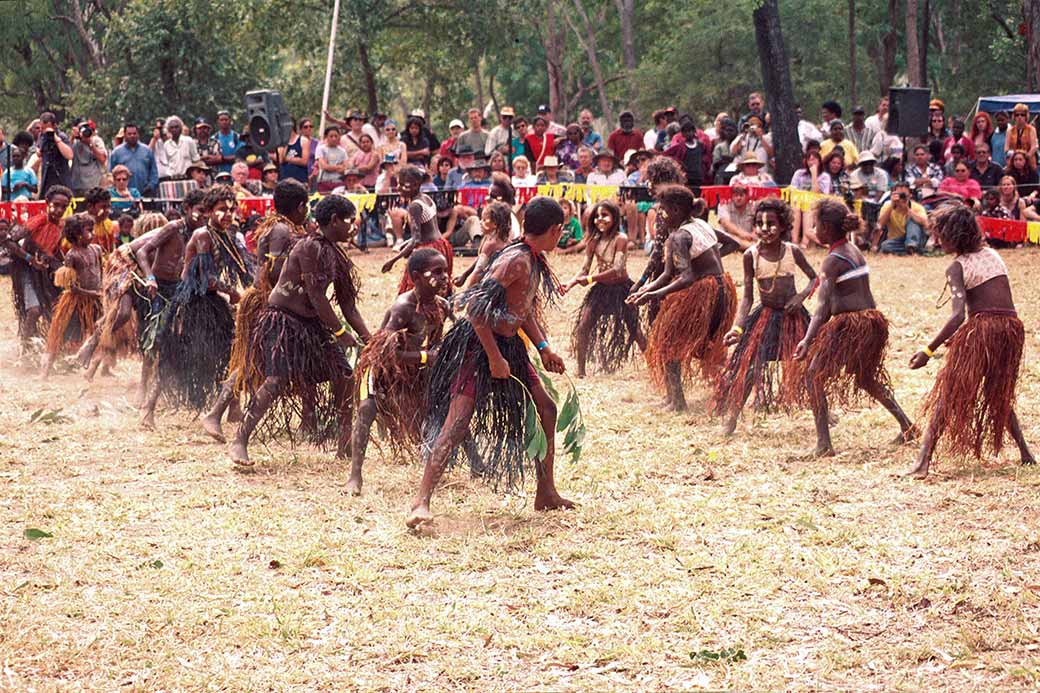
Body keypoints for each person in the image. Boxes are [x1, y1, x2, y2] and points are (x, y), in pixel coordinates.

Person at [407, 196, 574, 528]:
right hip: (479, 346)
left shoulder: (532, 258)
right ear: (555, 230)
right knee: (457, 422)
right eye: (562, 231)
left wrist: (543, 348)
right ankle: (420, 502)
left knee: (547, 408)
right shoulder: (515, 260)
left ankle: (546, 492)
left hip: (509, 346)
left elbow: (522, 308)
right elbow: (475, 309)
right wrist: (495, 358)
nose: (562, 236)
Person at [229, 194, 369, 466]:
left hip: (311, 325)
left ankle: (345, 444)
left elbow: (348, 305)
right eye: (350, 221)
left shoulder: (336, 255)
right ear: (334, 220)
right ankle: (240, 440)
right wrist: (340, 333)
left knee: (344, 375)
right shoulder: (308, 247)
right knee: (275, 381)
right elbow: (316, 295)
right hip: (282, 320)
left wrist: (369, 339)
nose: (354, 227)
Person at [907, 204, 1033, 478]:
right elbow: (996, 305)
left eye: (940, 235)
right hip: (1010, 330)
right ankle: (1026, 453)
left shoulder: (957, 267)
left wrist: (928, 350)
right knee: (997, 393)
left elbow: (957, 317)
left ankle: (922, 462)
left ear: (955, 235)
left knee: (948, 392)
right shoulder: (992, 255)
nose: (936, 241)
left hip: (984, 331)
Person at [792, 199, 913, 457]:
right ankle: (907, 425)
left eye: (816, 225)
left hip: (852, 326)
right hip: (871, 322)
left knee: (813, 374)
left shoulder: (832, 260)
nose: (814, 230)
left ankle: (824, 444)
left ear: (826, 228)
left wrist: (807, 339)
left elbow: (823, 307)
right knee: (866, 378)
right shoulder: (853, 250)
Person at [201, 179, 311, 443]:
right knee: (251, 360)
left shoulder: (283, 227)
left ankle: (310, 420)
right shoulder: (281, 230)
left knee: (258, 359)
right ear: (300, 206)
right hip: (267, 302)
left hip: (274, 302)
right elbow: (274, 270)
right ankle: (214, 414)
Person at [347, 249, 450, 495]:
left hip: (412, 370)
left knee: (442, 406)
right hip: (380, 368)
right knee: (367, 410)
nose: (444, 277)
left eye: (445, 271)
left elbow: (435, 343)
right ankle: (354, 476)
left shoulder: (442, 306)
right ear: (416, 277)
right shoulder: (403, 308)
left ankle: (474, 465)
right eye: (437, 272)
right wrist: (425, 357)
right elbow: (383, 353)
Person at [148, 186, 252, 422]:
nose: (227, 214)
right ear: (210, 211)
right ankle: (148, 410)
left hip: (211, 302)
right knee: (174, 357)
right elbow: (206, 278)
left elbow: (243, 267)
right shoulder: (203, 235)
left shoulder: (225, 236)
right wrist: (232, 292)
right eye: (222, 209)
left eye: (231, 210)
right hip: (191, 302)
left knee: (230, 351)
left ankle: (234, 409)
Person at [712, 198, 816, 435]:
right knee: (749, 368)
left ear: (783, 225)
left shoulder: (792, 251)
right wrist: (737, 328)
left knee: (809, 366)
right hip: (766, 319)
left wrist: (800, 297)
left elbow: (814, 278)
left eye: (771, 223)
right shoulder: (750, 255)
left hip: (794, 319)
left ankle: (822, 411)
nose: (765, 229)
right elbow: (748, 298)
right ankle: (732, 419)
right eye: (759, 224)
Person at [628, 185, 737, 412]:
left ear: (676, 210)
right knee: (705, 344)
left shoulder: (679, 236)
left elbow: (685, 278)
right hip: (722, 289)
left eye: (663, 210)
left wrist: (654, 294)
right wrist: (645, 290)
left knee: (668, 341)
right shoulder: (701, 225)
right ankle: (683, 398)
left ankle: (677, 403)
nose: (660, 215)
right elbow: (668, 274)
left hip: (704, 293)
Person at [78, 211, 177, 383]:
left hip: (142, 278)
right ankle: (93, 343)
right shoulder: (142, 247)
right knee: (121, 314)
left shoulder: (168, 244)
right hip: (124, 268)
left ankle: (94, 367)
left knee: (123, 326)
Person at [562, 200, 645, 376]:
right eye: (597, 216)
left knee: (635, 330)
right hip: (601, 291)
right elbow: (584, 269)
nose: (600, 219)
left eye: (604, 215)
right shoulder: (593, 241)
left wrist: (590, 279)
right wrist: (570, 283)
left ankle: (655, 366)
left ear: (614, 217)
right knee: (583, 326)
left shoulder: (621, 239)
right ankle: (581, 371)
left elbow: (618, 269)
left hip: (622, 290)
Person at [2, 185, 71, 351]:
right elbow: (9, 241)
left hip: (43, 272)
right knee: (34, 310)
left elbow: (54, 250)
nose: (59, 210)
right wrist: (30, 259)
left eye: (64, 207)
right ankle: (25, 350)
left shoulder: (61, 226)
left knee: (54, 309)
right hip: (25, 268)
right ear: (47, 202)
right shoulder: (39, 221)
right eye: (56, 205)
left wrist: (65, 266)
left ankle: (51, 346)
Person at [39, 214, 103, 377]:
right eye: (89, 230)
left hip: (96, 300)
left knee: (101, 333)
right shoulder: (72, 256)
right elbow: (71, 287)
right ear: (77, 233)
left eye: (92, 229)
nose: (93, 233)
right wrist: (91, 293)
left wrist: (101, 291)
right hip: (75, 302)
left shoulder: (96, 249)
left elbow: (100, 273)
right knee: (60, 335)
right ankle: (45, 371)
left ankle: (98, 369)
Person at [381, 165, 454, 293]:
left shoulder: (415, 206)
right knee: (439, 288)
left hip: (428, 251)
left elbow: (416, 240)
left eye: (403, 185)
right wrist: (406, 243)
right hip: (441, 245)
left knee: (415, 291)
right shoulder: (426, 198)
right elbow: (425, 232)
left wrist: (393, 260)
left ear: (415, 185)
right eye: (398, 184)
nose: (398, 188)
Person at [790, 151, 830, 247]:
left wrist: (814, 175)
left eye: (814, 159)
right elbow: (792, 190)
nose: (811, 162)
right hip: (798, 203)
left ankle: (805, 242)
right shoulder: (799, 174)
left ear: (819, 161)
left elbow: (816, 193)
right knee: (795, 208)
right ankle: (794, 241)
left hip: (816, 206)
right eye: (809, 160)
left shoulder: (825, 177)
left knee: (808, 209)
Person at [877, 182, 929, 254]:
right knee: (885, 246)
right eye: (899, 195)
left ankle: (911, 246)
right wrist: (892, 205)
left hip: (916, 238)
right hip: (898, 241)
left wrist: (908, 210)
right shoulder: (887, 206)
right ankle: (913, 251)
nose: (901, 198)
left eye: (904, 195)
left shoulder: (917, 207)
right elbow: (880, 224)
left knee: (912, 219)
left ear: (910, 195)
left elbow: (926, 224)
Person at [108, 123, 158, 196]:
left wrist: (151, 186)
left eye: (134, 133)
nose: (132, 136)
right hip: (124, 195)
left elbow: (154, 173)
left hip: (146, 193)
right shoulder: (116, 153)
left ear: (138, 134)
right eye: (129, 134)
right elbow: (111, 175)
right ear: (125, 135)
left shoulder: (147, 151)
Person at [36, 112, 73, 196]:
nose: (45, 131)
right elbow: (39, 151)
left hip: (61, 178)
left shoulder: (61, 136)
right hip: (46, 178)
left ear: (54, 125)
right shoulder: (42, 136)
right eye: (42, 128)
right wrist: (39, 150)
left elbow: (69, 155)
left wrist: (56, 138)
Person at [663, 121, 708, 188]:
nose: (688, 133)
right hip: (686, 177)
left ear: (694, 131)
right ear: (682, 134)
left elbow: (705, 158)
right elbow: (668, 154)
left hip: (698, 176)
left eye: (690, 131)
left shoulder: (701, 145)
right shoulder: (680, 146)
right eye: (685, 132)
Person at [278, 118, 311, 184]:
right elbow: (280, 160)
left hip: (300, 180)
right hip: (284, 180)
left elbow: (304, 161)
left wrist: (287, 159)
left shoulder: (303, 140)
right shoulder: (282, 142)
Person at [316, 126, 348, 194]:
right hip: (324, 182)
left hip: (339, 182)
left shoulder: (343, 151)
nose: (334, 138)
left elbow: (345, 169)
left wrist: (330, 167)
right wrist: (339, 166)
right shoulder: (321, 149)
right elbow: (324, 167)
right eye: (331, 136)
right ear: (326, 137)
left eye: (336, 136)